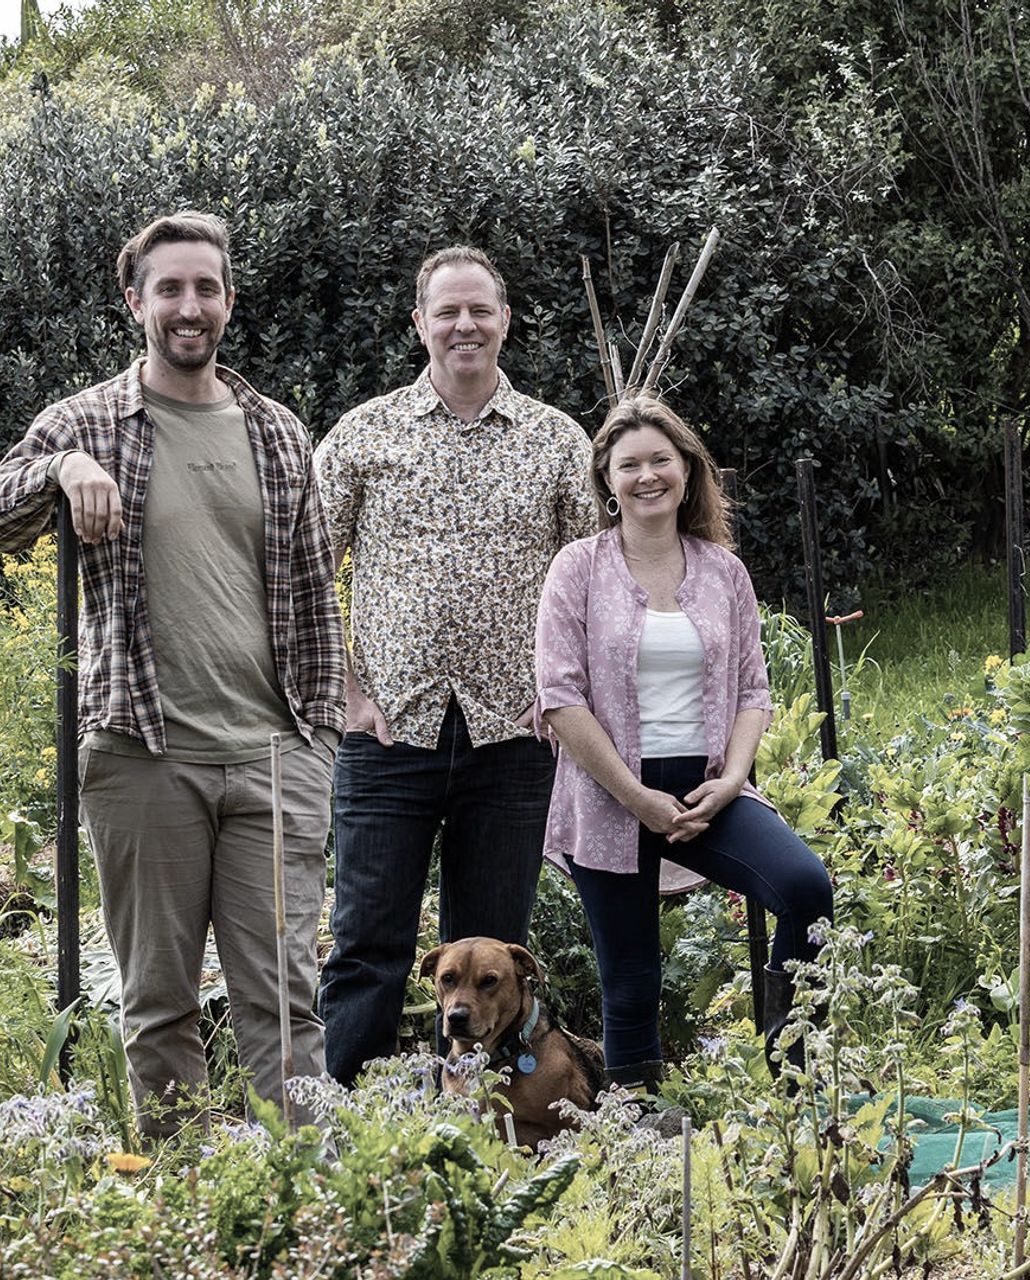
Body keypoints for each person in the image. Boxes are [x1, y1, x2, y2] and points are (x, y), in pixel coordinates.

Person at [0, 210, 345, 1137]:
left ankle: (307, 1211)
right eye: (170, 289)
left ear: (227, 300)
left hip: (275, 759)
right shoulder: (87, 422)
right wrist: (63, 468)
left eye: (205, 289)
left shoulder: (276, 432)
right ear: (136, 302)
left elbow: (315, 595)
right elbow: (2, 504)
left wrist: (318, 740)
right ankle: (184, 1215)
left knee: (285, 1008)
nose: (189, 307)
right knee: (159, 1005)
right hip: (145, 756)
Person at [313, 246, 599, 1085]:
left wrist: (565, 702)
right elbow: (299, 575)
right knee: (370, 940)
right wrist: (349, 693)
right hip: (388, 734)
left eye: (481, 310)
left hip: (512, 734)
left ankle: (481, 1126)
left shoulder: (555, 441)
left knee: (492, 951)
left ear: (505, 321)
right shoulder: (363, 435)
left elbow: (589, 584)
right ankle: (343, 1128)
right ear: (420, 324)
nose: (465, 325)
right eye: (447, 311)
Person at [535, 394, 833, 1091]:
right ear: (606, 479)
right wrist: (637, 797)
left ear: (687, 471)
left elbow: (753, 690)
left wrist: (732, 779)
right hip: (610, 798)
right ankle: (642, 1138)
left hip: (708, 788)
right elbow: (559, 697)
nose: (647, 476)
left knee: (804, 887)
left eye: (660, 460)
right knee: (633, 981)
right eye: (628, 463)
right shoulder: (576, 569)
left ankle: (798, 1081)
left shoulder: (723, 571)